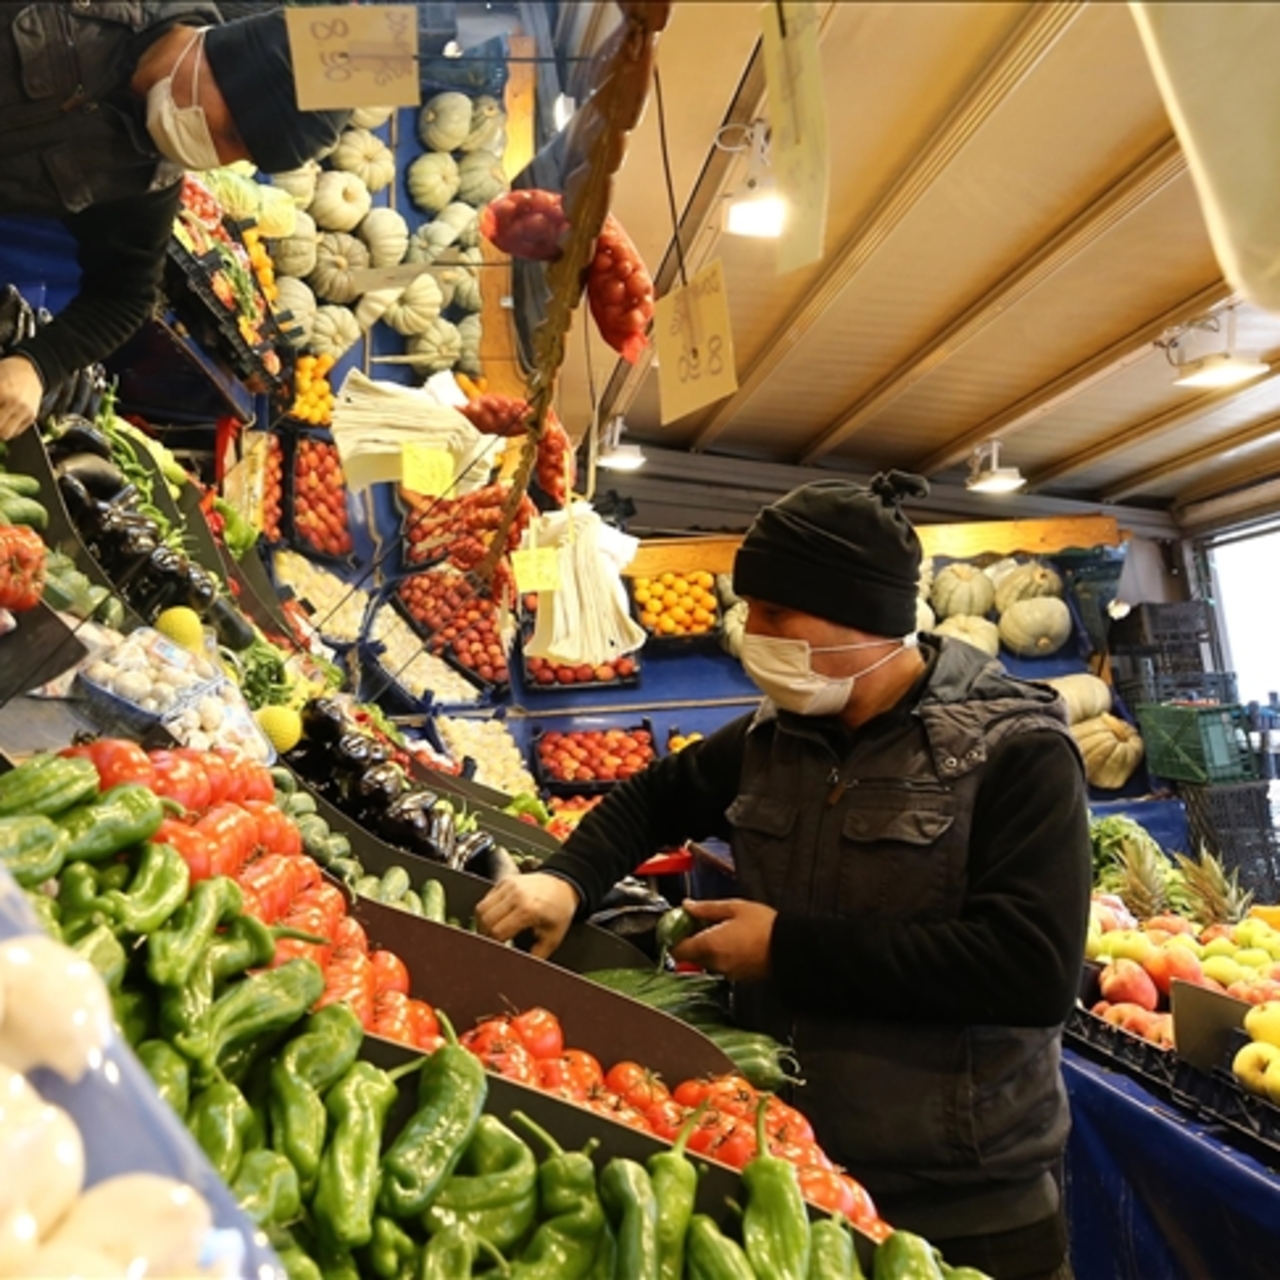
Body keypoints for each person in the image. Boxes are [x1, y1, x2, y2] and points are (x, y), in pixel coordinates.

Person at [477, 471, 1091, 1280]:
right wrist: (568, 879)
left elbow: (1030, 971)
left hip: (962, 1200)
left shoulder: (1017, 751)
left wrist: (788, 951)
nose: (750, 632)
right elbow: (655, 798)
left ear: (859, 619)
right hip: (790, 1173)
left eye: (774, 614)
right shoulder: (779, 733)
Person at [0, 2, 350, 441]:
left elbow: (125, 296)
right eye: (233, 136)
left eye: (240, 156)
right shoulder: (97, 11)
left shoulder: (145, 175)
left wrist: (38, 365)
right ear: (227, 59)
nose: (216, 156)